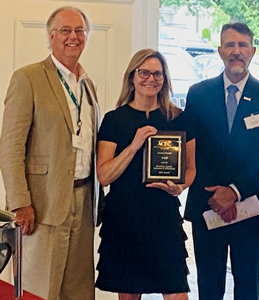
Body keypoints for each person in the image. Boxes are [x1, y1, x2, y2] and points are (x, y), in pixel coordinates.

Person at [0, 6, 102, 300]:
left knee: (79, 291)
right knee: (39, 288)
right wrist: (20, 202)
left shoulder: (88, 84)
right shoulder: (28, 78)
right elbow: (10, 146)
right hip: (42, 205)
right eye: (66, 31)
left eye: (79, 31)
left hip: (83, 202)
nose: (74, 37)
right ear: (52, 36)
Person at [183, 23, 259, 300]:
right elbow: (195, 151)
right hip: (208, 204)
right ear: (219, 51)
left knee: (249, 286)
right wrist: (219, 195)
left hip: (252, 207)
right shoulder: (198, 94)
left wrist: (235, 192)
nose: (236, 52)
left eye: (241, 46)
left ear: (252, 51)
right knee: (209, 285)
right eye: (229, 45)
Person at [94, 49, 195, 300]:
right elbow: (104, 175)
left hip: (163, 218)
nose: (151, 79)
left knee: (177, 293)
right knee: (128, 295)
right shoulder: (114, 120)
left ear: (165, 79)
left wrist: (179, 187)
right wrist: (134, 144)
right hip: (124, 219)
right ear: (132, 77)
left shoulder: (179, 119)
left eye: (157, 74)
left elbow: (191, 169)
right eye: (144, 72)